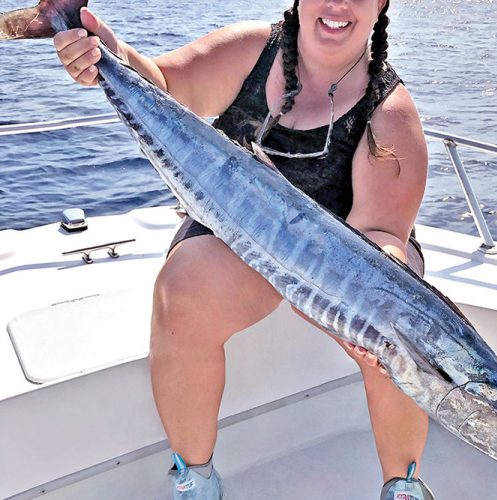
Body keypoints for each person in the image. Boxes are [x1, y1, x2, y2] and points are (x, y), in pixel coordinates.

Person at [54, 1, 432, 498]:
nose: (338, 5)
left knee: (401, 336)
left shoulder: (389, 114)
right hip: (234, 230)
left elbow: (381, 234)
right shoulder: (253, 51)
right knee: (181, 291)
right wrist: (106, 49)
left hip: (341, 261)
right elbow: (164, 84)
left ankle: (402, 487)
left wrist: (373, 301)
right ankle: (196, 478)